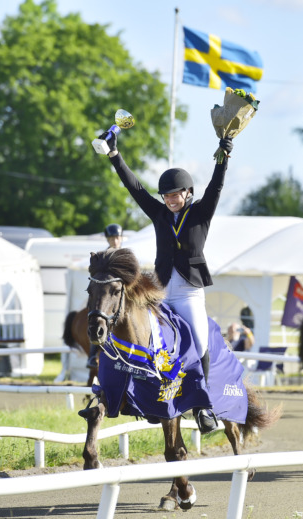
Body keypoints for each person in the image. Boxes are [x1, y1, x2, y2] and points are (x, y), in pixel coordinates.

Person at [100, 127, 233, 434]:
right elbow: (135, 189)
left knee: (198, 343)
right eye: (167, 196)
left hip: (188, 293)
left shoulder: (201, 213)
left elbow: (216, 186)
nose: (170, 200)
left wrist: (223, 156)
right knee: (140, 337)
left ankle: (204, 408)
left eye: (175, 195)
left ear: (188, 193)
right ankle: (140, 397)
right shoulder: (159, 214)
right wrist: (114, 155)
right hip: (158, 293)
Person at [84, 223, 126, 369]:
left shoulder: (125, 255)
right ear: (108, 239)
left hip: (123, 293)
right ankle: (92, 354)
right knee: (95, 313)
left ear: (121, 238)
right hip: (105, 294)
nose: (115, 241)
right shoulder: (102, 256)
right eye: (112, 238)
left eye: (117, 238)